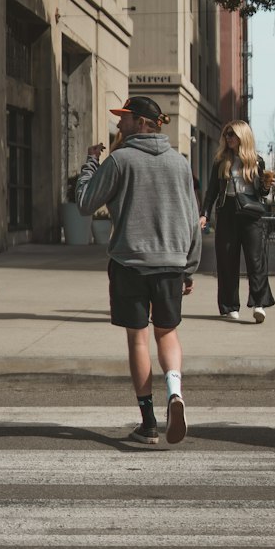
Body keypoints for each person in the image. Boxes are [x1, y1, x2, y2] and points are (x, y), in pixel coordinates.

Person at [77, 95, 202, 446]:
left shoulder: (120, 160)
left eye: (125, 118)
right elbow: (193, 220)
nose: (119, 124)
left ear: (142, 122)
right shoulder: (180, 163)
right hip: (171, 264)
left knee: (137, 338)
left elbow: (85, 202)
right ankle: (174, 392)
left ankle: (148, 422)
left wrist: (90, 161)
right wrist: (189, 268)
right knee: (168, 332)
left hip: (130, 263)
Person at [199, 120, 275, 322]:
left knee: (255, 260)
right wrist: (204, 214)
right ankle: (229, 306)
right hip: (226, 213)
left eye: (232, 134)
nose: (228, 138)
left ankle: (259, 304)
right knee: (226, 261)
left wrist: (267, 185)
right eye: (226, 135)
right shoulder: (220, 161)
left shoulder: (257, 162)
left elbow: (261, 193)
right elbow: (212, 191)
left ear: (243, 136)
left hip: (251, 215)